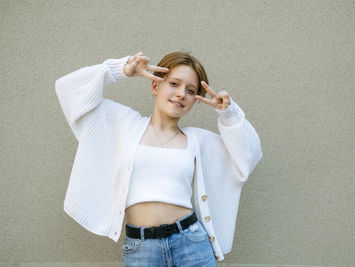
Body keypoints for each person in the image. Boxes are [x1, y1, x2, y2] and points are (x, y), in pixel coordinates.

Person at [55, 51, 263, 266]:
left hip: (191, 243)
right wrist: (119, 70)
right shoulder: (123, 124)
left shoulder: (199, 140)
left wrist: (228, 114)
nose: (181, 93)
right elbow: (67, 89)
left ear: (195, 100)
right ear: (155, 86)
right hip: (140, 249)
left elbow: (247, 157)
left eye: (190, 91)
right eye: (174, 83)